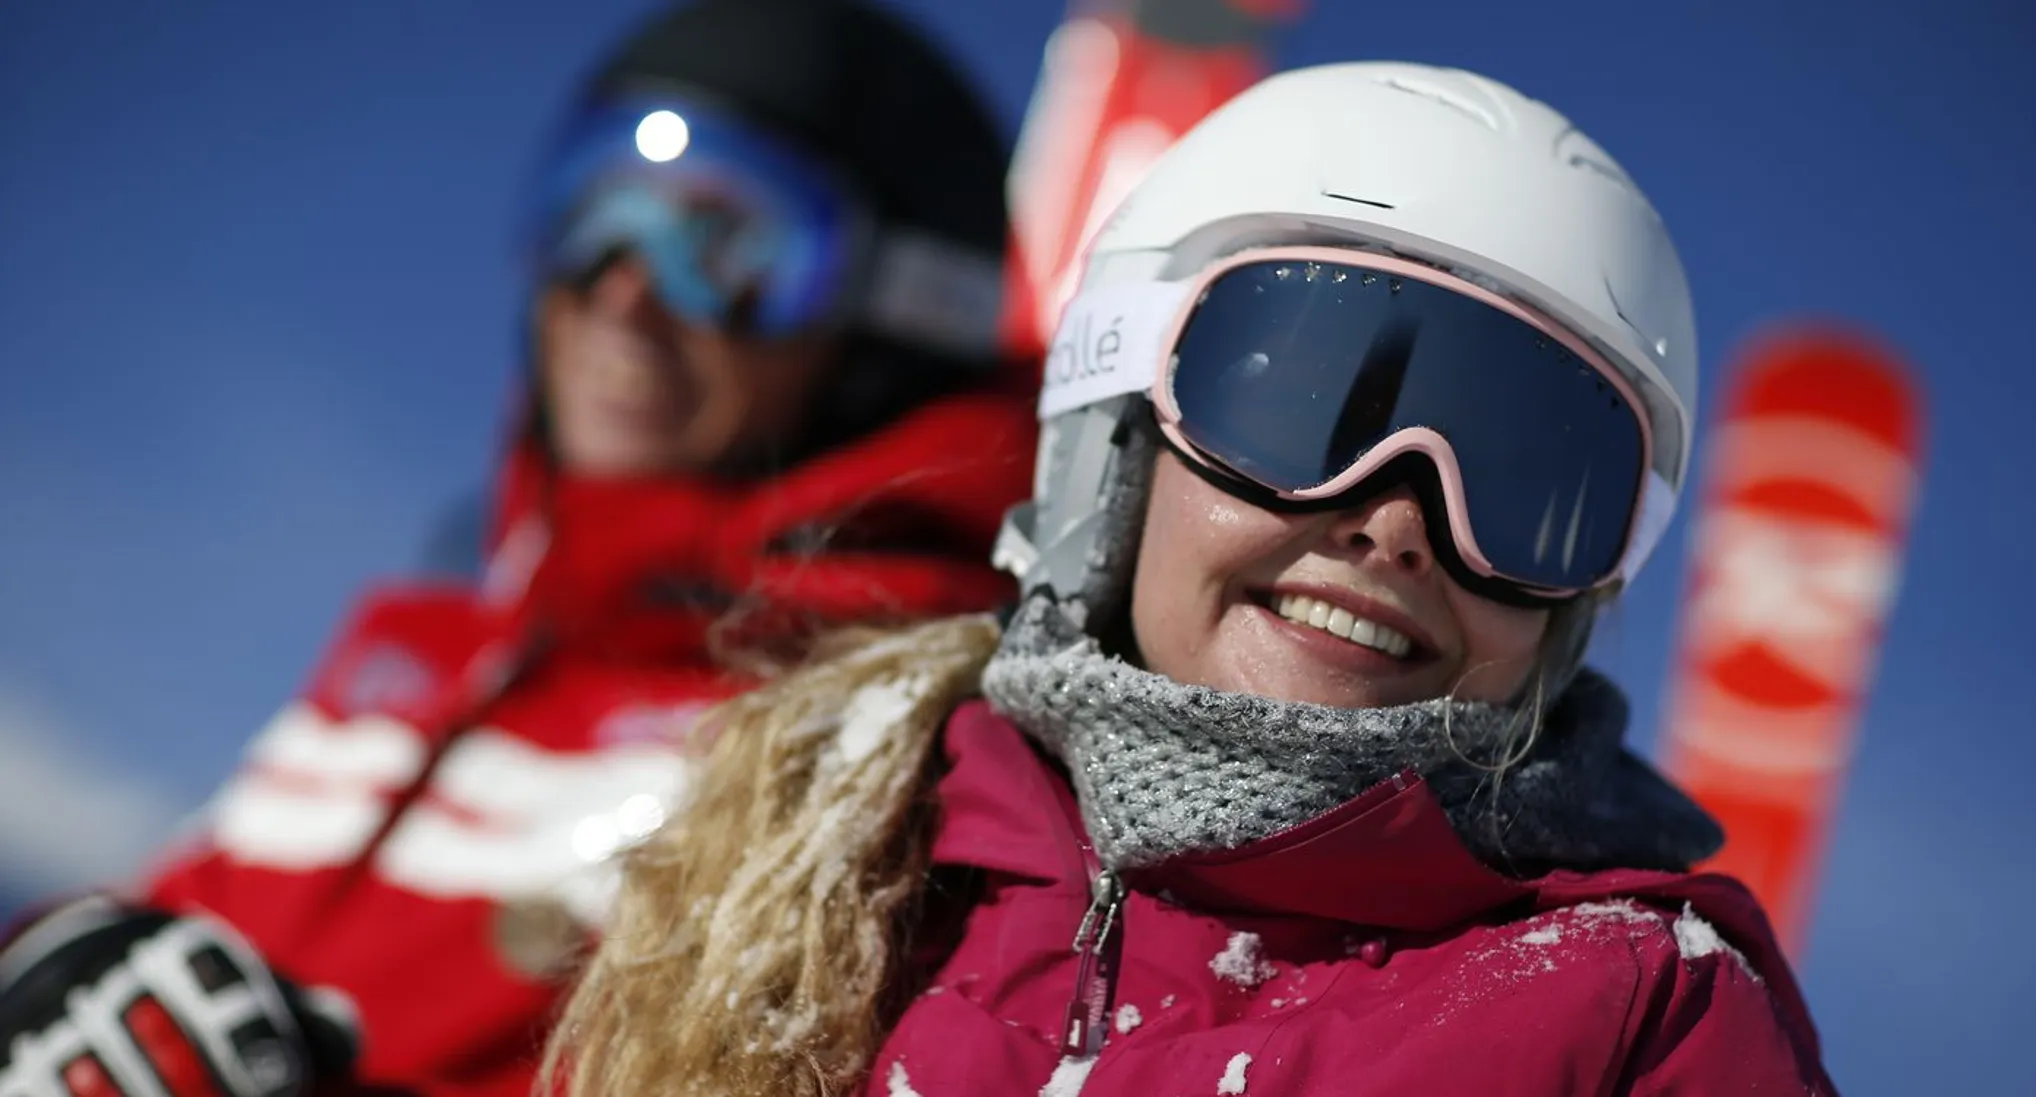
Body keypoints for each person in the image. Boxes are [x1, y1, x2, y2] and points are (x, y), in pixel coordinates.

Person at [546, 61, 1838, 1097]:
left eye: (1519, 486)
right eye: (1308, 406)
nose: (1396, 519)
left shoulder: (1632, 1013)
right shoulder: (807, 847)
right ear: (1114, 451)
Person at [0, 2, 1033, 1095]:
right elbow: (155, 945)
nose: (625, 289)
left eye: (727, 245)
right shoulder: (408, 663)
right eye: (595, 210)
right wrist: (52, 978)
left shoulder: (880, 734)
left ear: (898, 315)